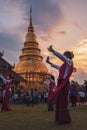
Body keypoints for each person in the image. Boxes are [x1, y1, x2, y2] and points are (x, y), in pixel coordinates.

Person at [46, 45, 74, 124]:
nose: (63, 56)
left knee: (63, 100)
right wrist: (49, 63)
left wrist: (53, 51)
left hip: (63, 83)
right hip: (60, 82)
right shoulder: (64, 66)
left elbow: (63, 58)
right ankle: (60, 119)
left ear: (68, 56)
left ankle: (64, 119)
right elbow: (57, 67)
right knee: (59, 100)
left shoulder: (70, 62)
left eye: (64, 54)